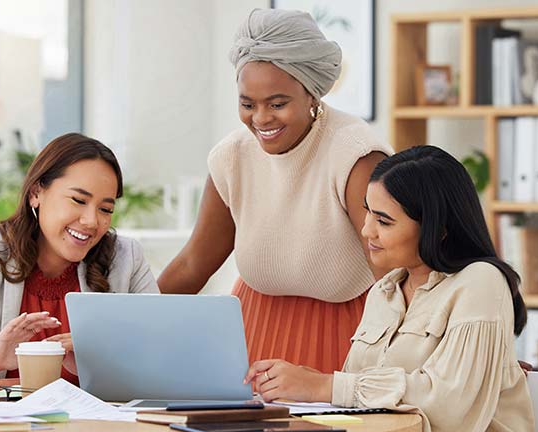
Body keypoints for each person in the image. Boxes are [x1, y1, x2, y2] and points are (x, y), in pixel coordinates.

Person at [245, 145, 537, 432]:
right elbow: (359, 401)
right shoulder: (383, 293)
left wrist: (324, 386)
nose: (367, 230)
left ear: (439, 229)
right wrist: (308, 385)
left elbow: (447, 405)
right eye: (368, 212)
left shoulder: (481, 282)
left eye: (384, 221)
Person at [157, 8, 393, 374]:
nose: (261, 119)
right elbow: (193, 263)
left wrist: (450, 349)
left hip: (347, 343)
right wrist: (119, 325)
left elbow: (393, 272)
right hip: (250, 341)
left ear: (311, 94)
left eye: (277, 104)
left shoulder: (354, 155)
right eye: (247, 104)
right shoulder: (232, 157)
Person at [0, 133, 159, 386]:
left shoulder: (125, 259)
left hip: (96, 424)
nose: (92, 221)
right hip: (4, 425)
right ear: (36, 193)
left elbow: (162, 358)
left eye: (106, 209)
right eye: (78, 200)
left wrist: (100, 360)